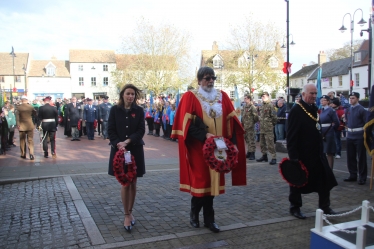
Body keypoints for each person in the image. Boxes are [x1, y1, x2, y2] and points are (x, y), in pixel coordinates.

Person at [171, 66, 247, 233]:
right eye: (207, 78)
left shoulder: (223, 96)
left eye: (213, 78)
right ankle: (194, 213)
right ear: (199, 81)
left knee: (213, 184)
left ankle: (209, 219)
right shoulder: (190, 97)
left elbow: (232, 122)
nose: (210, 81)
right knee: (202, 182)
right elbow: (186, 127)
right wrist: (205, 135)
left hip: (219, 149)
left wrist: (232, 143)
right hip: (198, 149)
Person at [287, 83, 337, 219]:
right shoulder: (296, 111)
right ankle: (295, 207)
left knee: (325, 179)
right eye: (311, 93)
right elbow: (291, 136)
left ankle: (325, 206)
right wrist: (293, 157)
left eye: (315, 94)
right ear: (303, 94)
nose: (314, 96)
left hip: (317, 153)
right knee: (297, 181)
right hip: (302, 154)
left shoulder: (314, 109)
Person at [108, 84, 146, 233]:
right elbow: (110, 129)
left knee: (133, 182)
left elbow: (141, 130)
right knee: (125, 183)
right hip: (119, 150)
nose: (130, 96)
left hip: (134, 149)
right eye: (128, 94)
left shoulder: (139, 111)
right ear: (122, 95)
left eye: (133, 94)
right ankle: (126, 214)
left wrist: (128, 141)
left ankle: (130, 211)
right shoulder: (114, 110)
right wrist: (118, 143)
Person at [343, 92, 368, 185]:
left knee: (361, 157)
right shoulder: (348, 109)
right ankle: (352, 174)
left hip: (359, 135)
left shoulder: (362, 109)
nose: (351, 100)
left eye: (353, 98)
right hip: (350, 135)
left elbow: (366, 123)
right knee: (350, 156)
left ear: (357, 99)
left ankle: (362, 177)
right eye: (350, 98)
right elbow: (346, 120)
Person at [256, 92, 277, 165]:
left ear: (268, 96)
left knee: (270, 143)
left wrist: (271, 125)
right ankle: (264, 156)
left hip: (268, 127)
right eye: (262, 96)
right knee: (262, 143)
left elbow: (274, 117)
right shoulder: (262, 106)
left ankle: (274, 157)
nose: (262, 97)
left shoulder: (270, 105)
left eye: (264, 96)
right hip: (262, 127)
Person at [319, 95, 339, 169]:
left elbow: (336, 122)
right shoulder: (322, 110)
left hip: (328, 132)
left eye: (324, 100)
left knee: (329, 151)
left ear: (328, 101)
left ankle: (330, 169)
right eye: (321, 100)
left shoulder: (331, 110)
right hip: (322, 132)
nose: (322, 101)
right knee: (324, 151)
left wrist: (332, 129)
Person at [16, 95, 37, 160]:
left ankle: (23, 154)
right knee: (30, 140)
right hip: (30, 125)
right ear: (27, 100)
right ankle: (31, 154)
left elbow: (17, 117)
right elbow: (35, 114)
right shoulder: (31, 107)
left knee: (22, 140)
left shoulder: (18, 107)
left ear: (21, 100)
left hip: (22, 126)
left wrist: (18, 124)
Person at [241, 94, 259, 160]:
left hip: (250, 126)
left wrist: (252, 122)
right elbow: (242, 116)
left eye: (245, 98)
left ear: (249, 99)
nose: (244, 99)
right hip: (245, 126)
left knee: (251, 140)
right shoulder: (244, 106)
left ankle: (252, 153)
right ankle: (249, 151)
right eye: (244, 98)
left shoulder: (252, 107)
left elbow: (256, 117)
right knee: (247, 139)